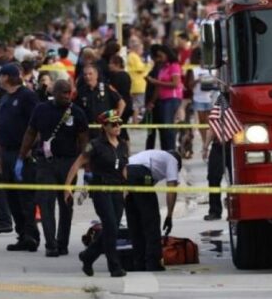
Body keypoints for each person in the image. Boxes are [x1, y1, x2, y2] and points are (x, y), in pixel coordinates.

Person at [19, 79, 88, 257]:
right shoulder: (41, 109)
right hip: (45, 164)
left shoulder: (77, 112)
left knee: (66, 204)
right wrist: (21, 156)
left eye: (69, 92)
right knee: (46, 204)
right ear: (54, 93)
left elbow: (83, 140)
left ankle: (62, 243)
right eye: (63, 92)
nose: (67, 96)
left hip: (68, 163)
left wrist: (86, 166)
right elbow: (30, 133)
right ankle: (51, 244)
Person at [64, 110, 128, 278]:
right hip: (101, 190)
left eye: (119, 123)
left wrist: (128, 188)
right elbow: (78, 163)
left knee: (112, 229)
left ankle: (88, 256)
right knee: (111, 226)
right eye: (113, 124)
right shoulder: (94, 144)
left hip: (117, 190)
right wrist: (67, 186)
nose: (118, 127)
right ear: (104, 126)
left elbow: (124, 169)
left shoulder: (122, 144)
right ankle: (114, 267)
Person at [0, 64, 41, 252]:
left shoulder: (27, 96)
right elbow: (2, 128)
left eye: (0, 76)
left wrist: (29, 149)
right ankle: (22, 234)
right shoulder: (5, 98)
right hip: (6, 152)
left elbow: (36, 126)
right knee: (12, 197)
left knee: (26, 198)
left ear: (7, 77)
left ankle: (31, 235)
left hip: (22, 153)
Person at [125, 149, 181, 271]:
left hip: (126, 172)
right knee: (152, 221)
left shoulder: (155, 158)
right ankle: (153, 262)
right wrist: (169, 216)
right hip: (141, 173)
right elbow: (172, 189)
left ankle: (139, 262)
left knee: (135, 221)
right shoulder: (172, 160)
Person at [146, 45, 183, 150]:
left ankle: (171, 150)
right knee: (163, 128)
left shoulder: (174, 66)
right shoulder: (163, 68)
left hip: (172, 98)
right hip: (162, 99)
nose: (160, 59)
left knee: (167, 127)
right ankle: (165, 150)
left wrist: (155, 82)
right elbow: (158, 87)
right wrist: (152, 102)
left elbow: (175, 83)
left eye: (161, 56)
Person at [75, 64, 125, 139]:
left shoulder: (106, 88)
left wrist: (115, 119)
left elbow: (122, 103)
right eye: (85, 75)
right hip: (88, 129)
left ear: (96, 75)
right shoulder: (81, 91)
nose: (87, 77)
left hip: (104, 129)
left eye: (90, 74)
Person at [202, 128, 227, 221]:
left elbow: (211, 130)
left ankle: (216, 211)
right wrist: (205, 147)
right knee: (213, 178)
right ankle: (215, 210)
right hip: (220, 145)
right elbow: (211, 129)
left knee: (214, 178)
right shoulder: (217, 116)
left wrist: (205, 148)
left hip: (229, 144)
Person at [127, 37, 148, 124]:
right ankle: (135, 121)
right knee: (137, 104)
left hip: (136, 84)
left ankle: (135, 120)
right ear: (137, 49)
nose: (142, 51)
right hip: (138, 85)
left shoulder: (133, 56)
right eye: (141, 49)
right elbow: (140, 68)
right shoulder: (133, 56)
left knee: (136, 104)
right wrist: (149, 65)